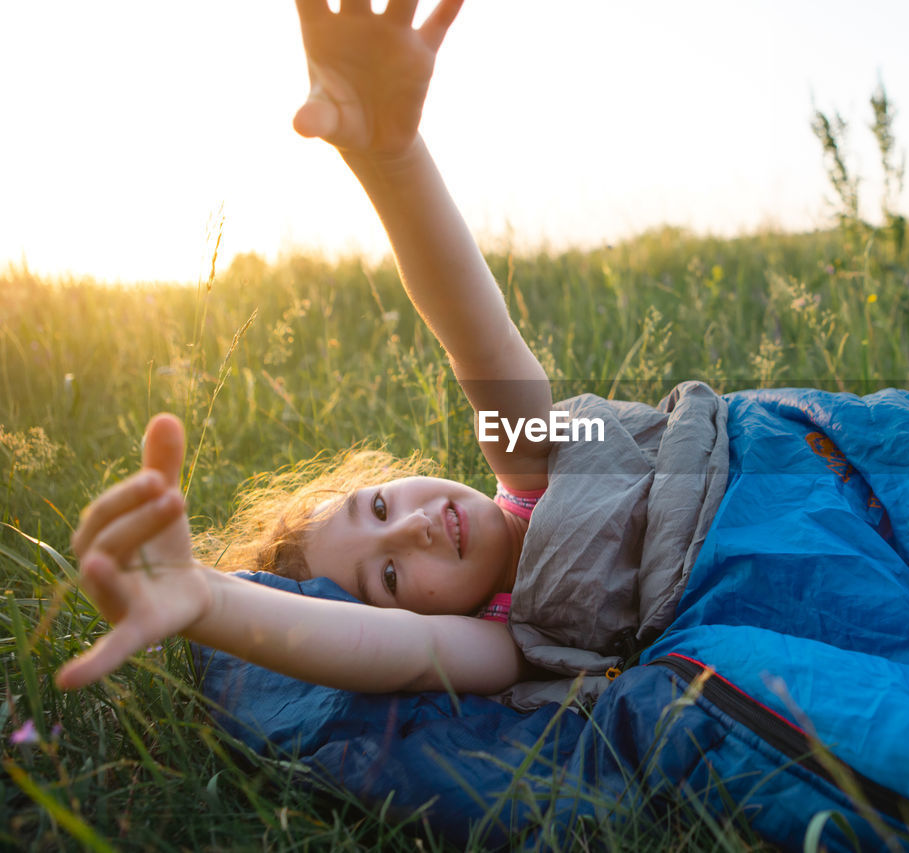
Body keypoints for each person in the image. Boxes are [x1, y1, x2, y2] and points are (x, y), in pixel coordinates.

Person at [58, 0, 560, 697]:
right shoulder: (503, 640)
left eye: (380, 506)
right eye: (388, 578)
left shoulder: (531, 464)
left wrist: (392, 157)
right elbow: (407, 652)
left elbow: (480, 339)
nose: (414, 527)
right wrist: (209, 602)